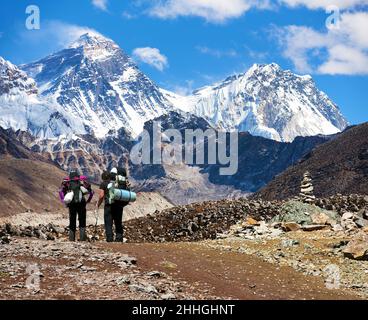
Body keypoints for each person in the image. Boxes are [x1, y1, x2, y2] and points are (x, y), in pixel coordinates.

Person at [97, 167, 131, 242]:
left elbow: (101, 195)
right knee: (118, 221)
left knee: (108, 222)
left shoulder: (104, 183)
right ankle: (119, 238)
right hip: (119, 204)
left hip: (109, 205)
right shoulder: (121, 183)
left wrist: (98, 204)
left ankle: (109, 239)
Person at [59, 169, 94, 241]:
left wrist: (63, 201)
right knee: (82, 221)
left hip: (72, 205)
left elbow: (61, 192)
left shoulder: (67, 184)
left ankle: (71, 239)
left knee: (72, 221)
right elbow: (91, 192)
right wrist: (88, 201)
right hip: (82, 204)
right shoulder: (81, 184)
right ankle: (82, 239)